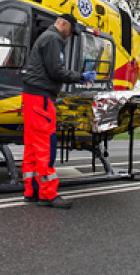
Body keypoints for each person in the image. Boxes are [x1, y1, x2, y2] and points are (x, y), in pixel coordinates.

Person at [20, 13, 96, 209]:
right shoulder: (53, 39)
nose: (69, 36)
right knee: (45, 146)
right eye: (70, 31)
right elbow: (57, 71)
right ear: (63, 24)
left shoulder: (44, 37)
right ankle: (47, 195)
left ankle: (32, 191)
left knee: (31, 147)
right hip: (41, 99)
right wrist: (81, 77)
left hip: (30, 97)